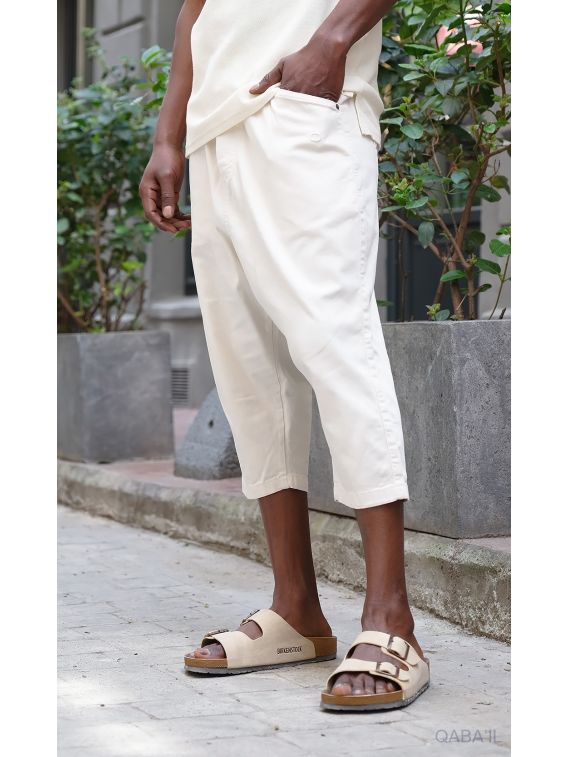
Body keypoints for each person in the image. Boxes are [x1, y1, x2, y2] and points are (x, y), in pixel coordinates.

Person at [140, 0, 430, 712]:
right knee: (249, 370)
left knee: (336, 344)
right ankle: (295, 607)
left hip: (302, 107)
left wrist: (330, 41)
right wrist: (169, 133)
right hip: (214, 130)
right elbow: (194, 10)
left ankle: (392, 618)